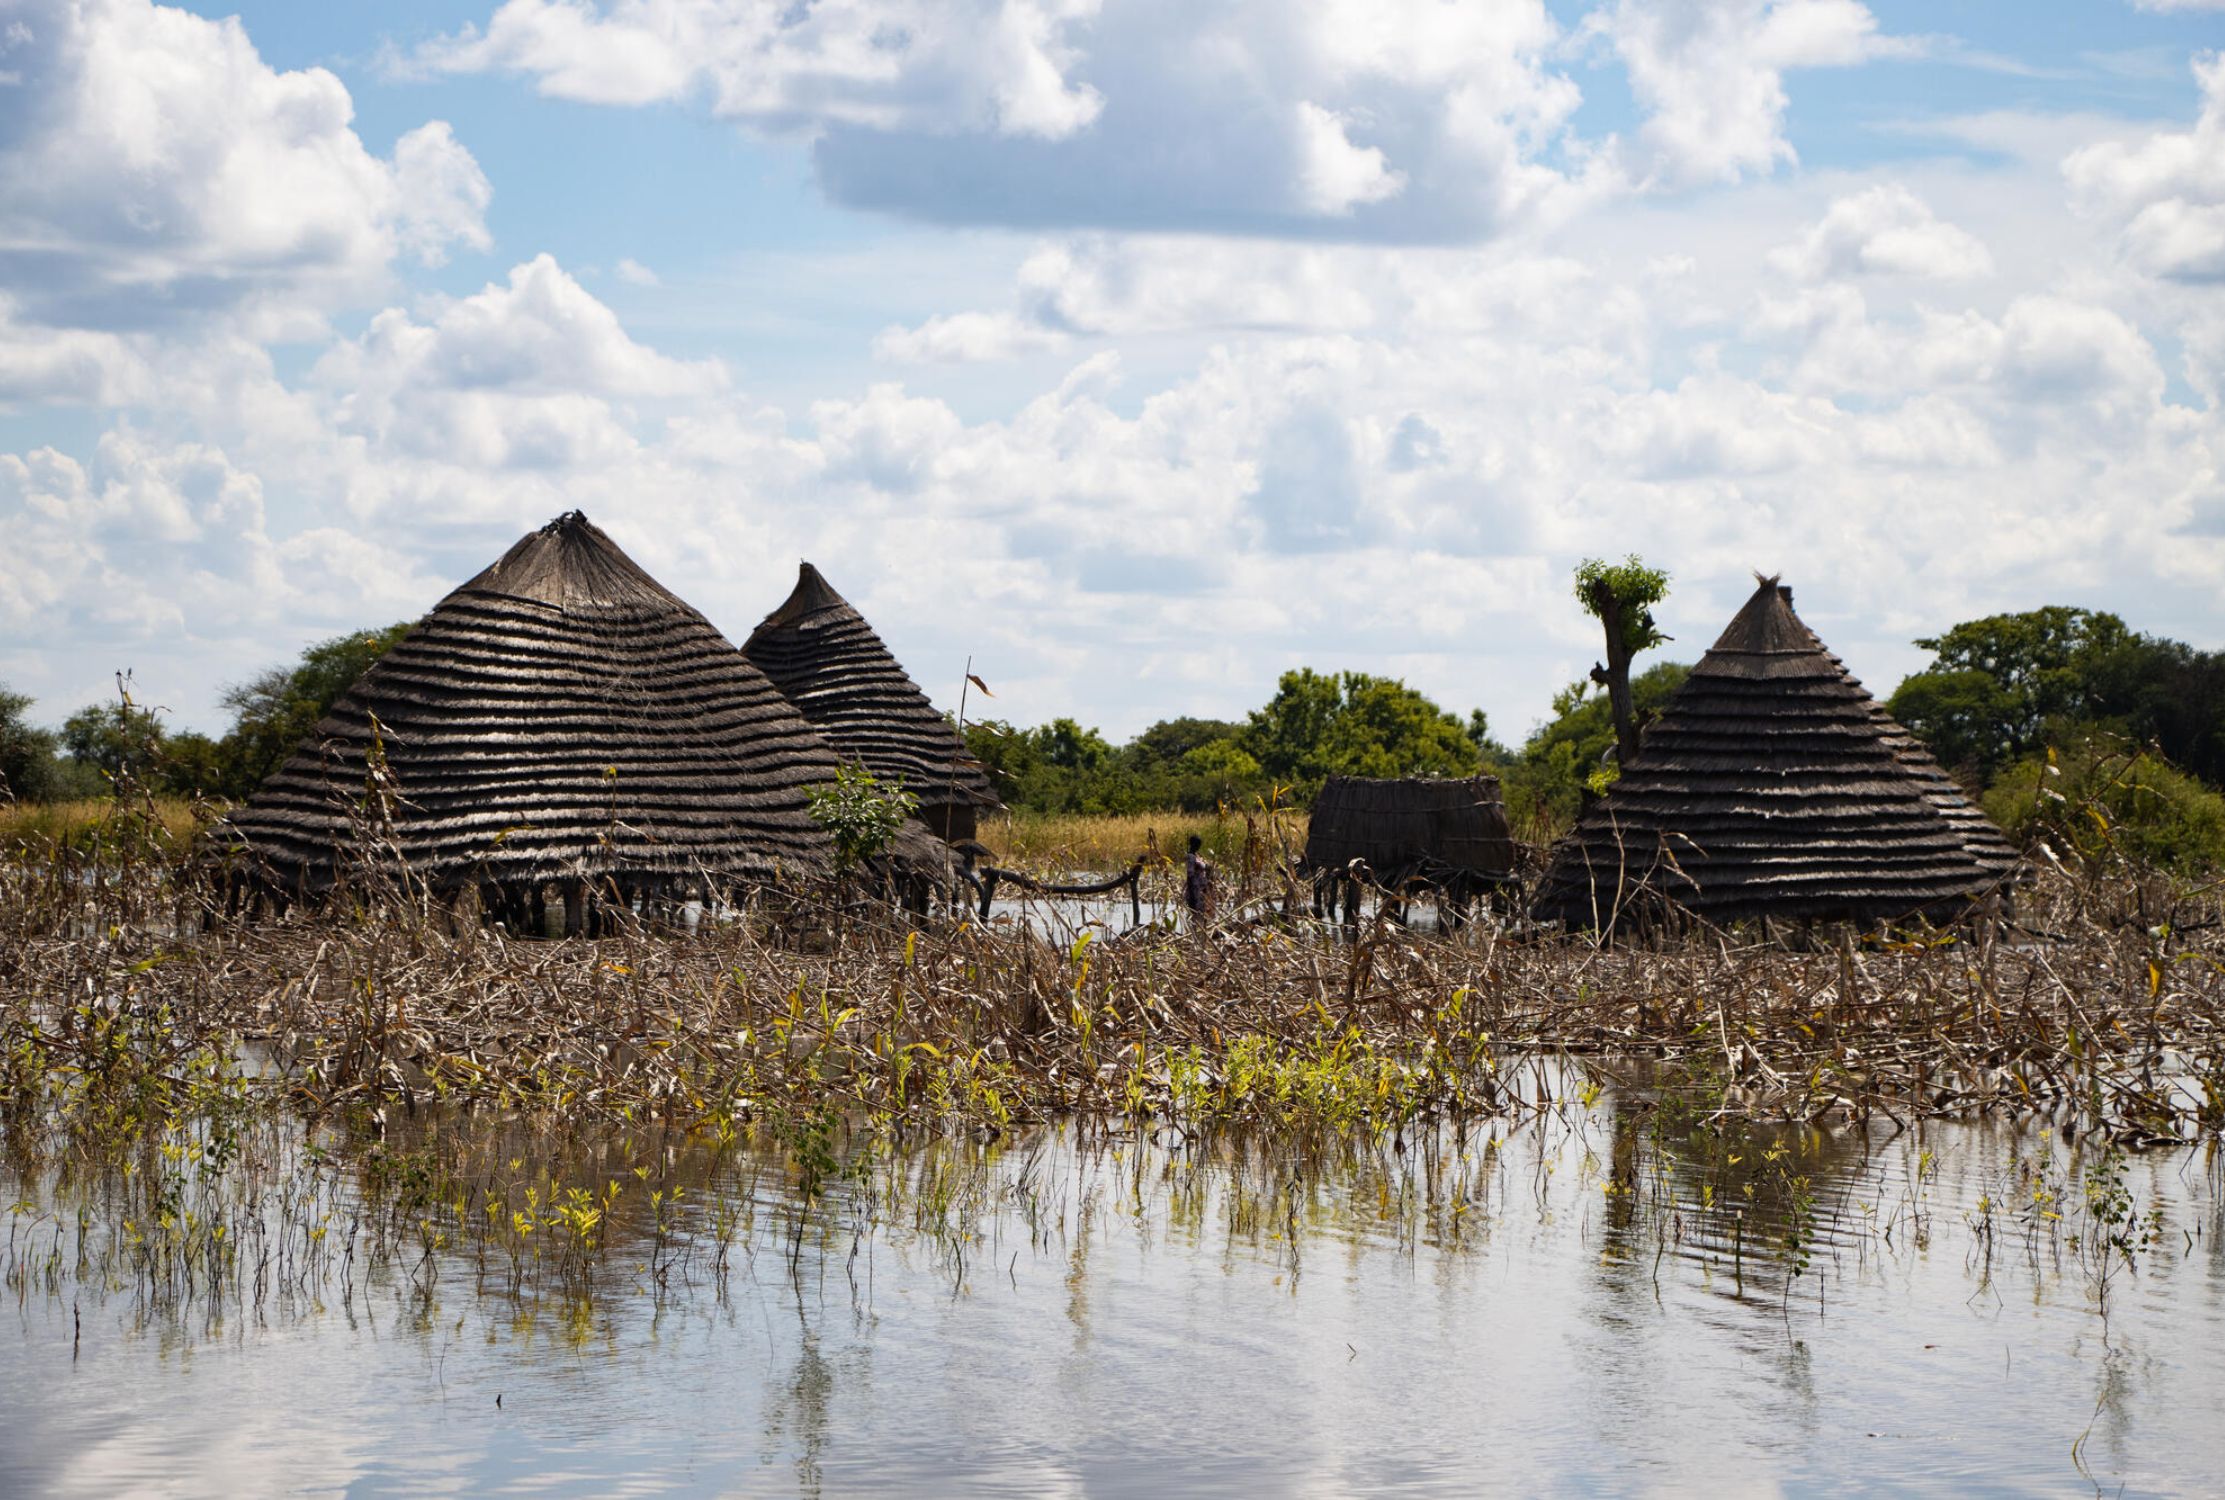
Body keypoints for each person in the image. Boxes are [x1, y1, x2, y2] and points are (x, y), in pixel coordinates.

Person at [1183, 834, 1216, 925]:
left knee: (1202, 912)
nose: (1198, 847)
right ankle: (1195, 930)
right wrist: (1193, 892)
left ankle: (1201, 929)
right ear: (1193, 844)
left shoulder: (1196, 856)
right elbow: (1190, 874)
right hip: (1195, 890)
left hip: (1201, 889)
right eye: (1197, 844)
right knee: (1195, 912)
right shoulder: (1191, 857)